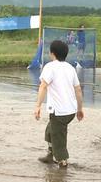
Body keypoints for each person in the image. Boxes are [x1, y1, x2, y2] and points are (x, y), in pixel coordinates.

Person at [34, 40, 84, 168]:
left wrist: (38, 106)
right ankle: (50, 155)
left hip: (59, 112)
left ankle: (63, 162)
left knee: (58, 137)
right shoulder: (70, 68)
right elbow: (78, 89)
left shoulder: (50, 67)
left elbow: (43, 86)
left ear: (52, 53)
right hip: (70, 111)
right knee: (50, 130)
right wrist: (79, 109)